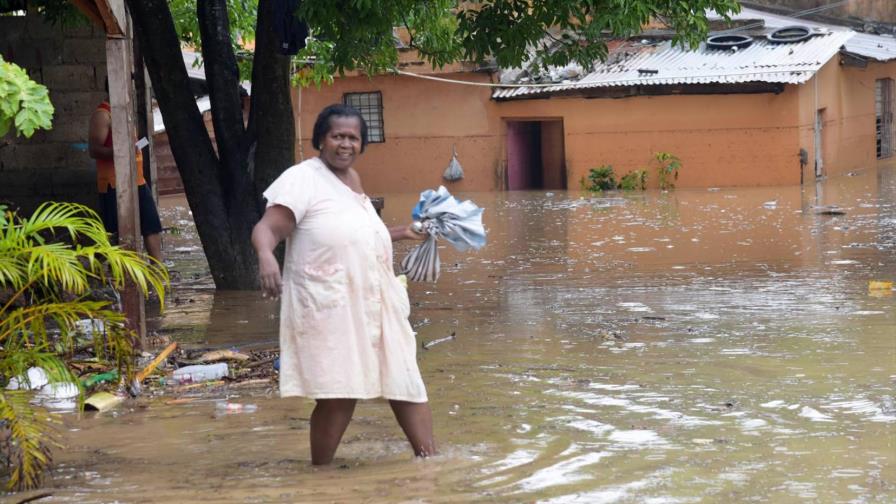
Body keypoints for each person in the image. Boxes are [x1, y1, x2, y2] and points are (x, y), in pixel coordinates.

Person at [252, 104, 436, 465]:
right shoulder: (303, 177)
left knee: (405, 377)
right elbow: (268, 227)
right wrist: (265, 255)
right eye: (337, 136)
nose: (345, 144)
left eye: (353, 138)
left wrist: (403, 232)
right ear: (321, 138)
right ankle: (319, 473)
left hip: (376, 297)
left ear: (361, 144)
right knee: (338, 391)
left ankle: (431, 463)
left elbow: (360, 234)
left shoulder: (352, 181)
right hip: (330, 303)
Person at [87, 91, 163, 263]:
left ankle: (159, 269)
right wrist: (122, 152)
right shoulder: (102, 115)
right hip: (113, 184)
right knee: (114, 232)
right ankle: (115, 272)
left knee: (151, 225)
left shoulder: (123, 113)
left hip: (137, 180)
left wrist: (135, 147)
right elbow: (94, 150)